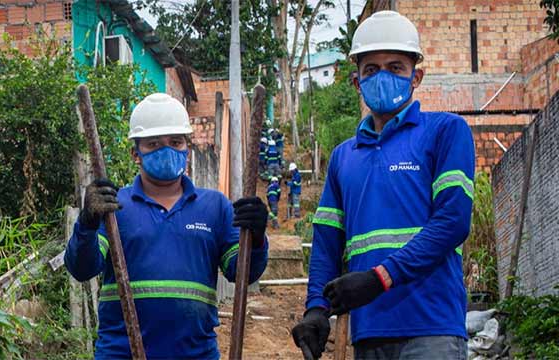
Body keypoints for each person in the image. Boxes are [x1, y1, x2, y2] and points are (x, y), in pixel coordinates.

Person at [292, 10, 474, 360]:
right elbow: (328, 243)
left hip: (432, 328)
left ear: (416, 76)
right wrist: (316, 308)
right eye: (371, 70)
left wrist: (380, 278)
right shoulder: (344, 157)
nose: (383, 77)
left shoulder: (446, 132)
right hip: (369, 332)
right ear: (357, 82)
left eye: (395, 67)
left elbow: (452, 222)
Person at [64, 93, 270, 359]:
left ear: (187, 147)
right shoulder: (113, 208)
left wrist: (257, 237)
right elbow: (82, 269)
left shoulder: (215, 207)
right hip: (121, 354)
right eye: (153, 144)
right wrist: (87, 223)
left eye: (175, 142)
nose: (167, 150)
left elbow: (243, 274)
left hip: (196, 354)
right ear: (135, 154)